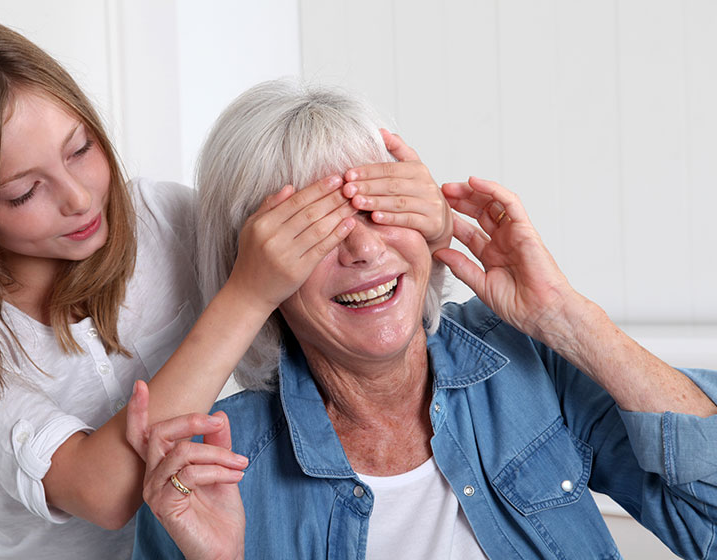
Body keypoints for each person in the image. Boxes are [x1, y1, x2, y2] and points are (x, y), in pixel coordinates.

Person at [0, 13, 443, 559]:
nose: (77, 198)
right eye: (24, 192)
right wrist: (244, 294)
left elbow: (320, 297)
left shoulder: (165, 217)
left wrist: (430, 230)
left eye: (81, 150)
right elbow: (106, 492)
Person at [130, 79, 717, 559]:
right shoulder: (209, 469)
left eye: (379, 208)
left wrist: (566, 317)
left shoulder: (526, 363)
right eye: (311, 231)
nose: (362, 249)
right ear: (257, 275)